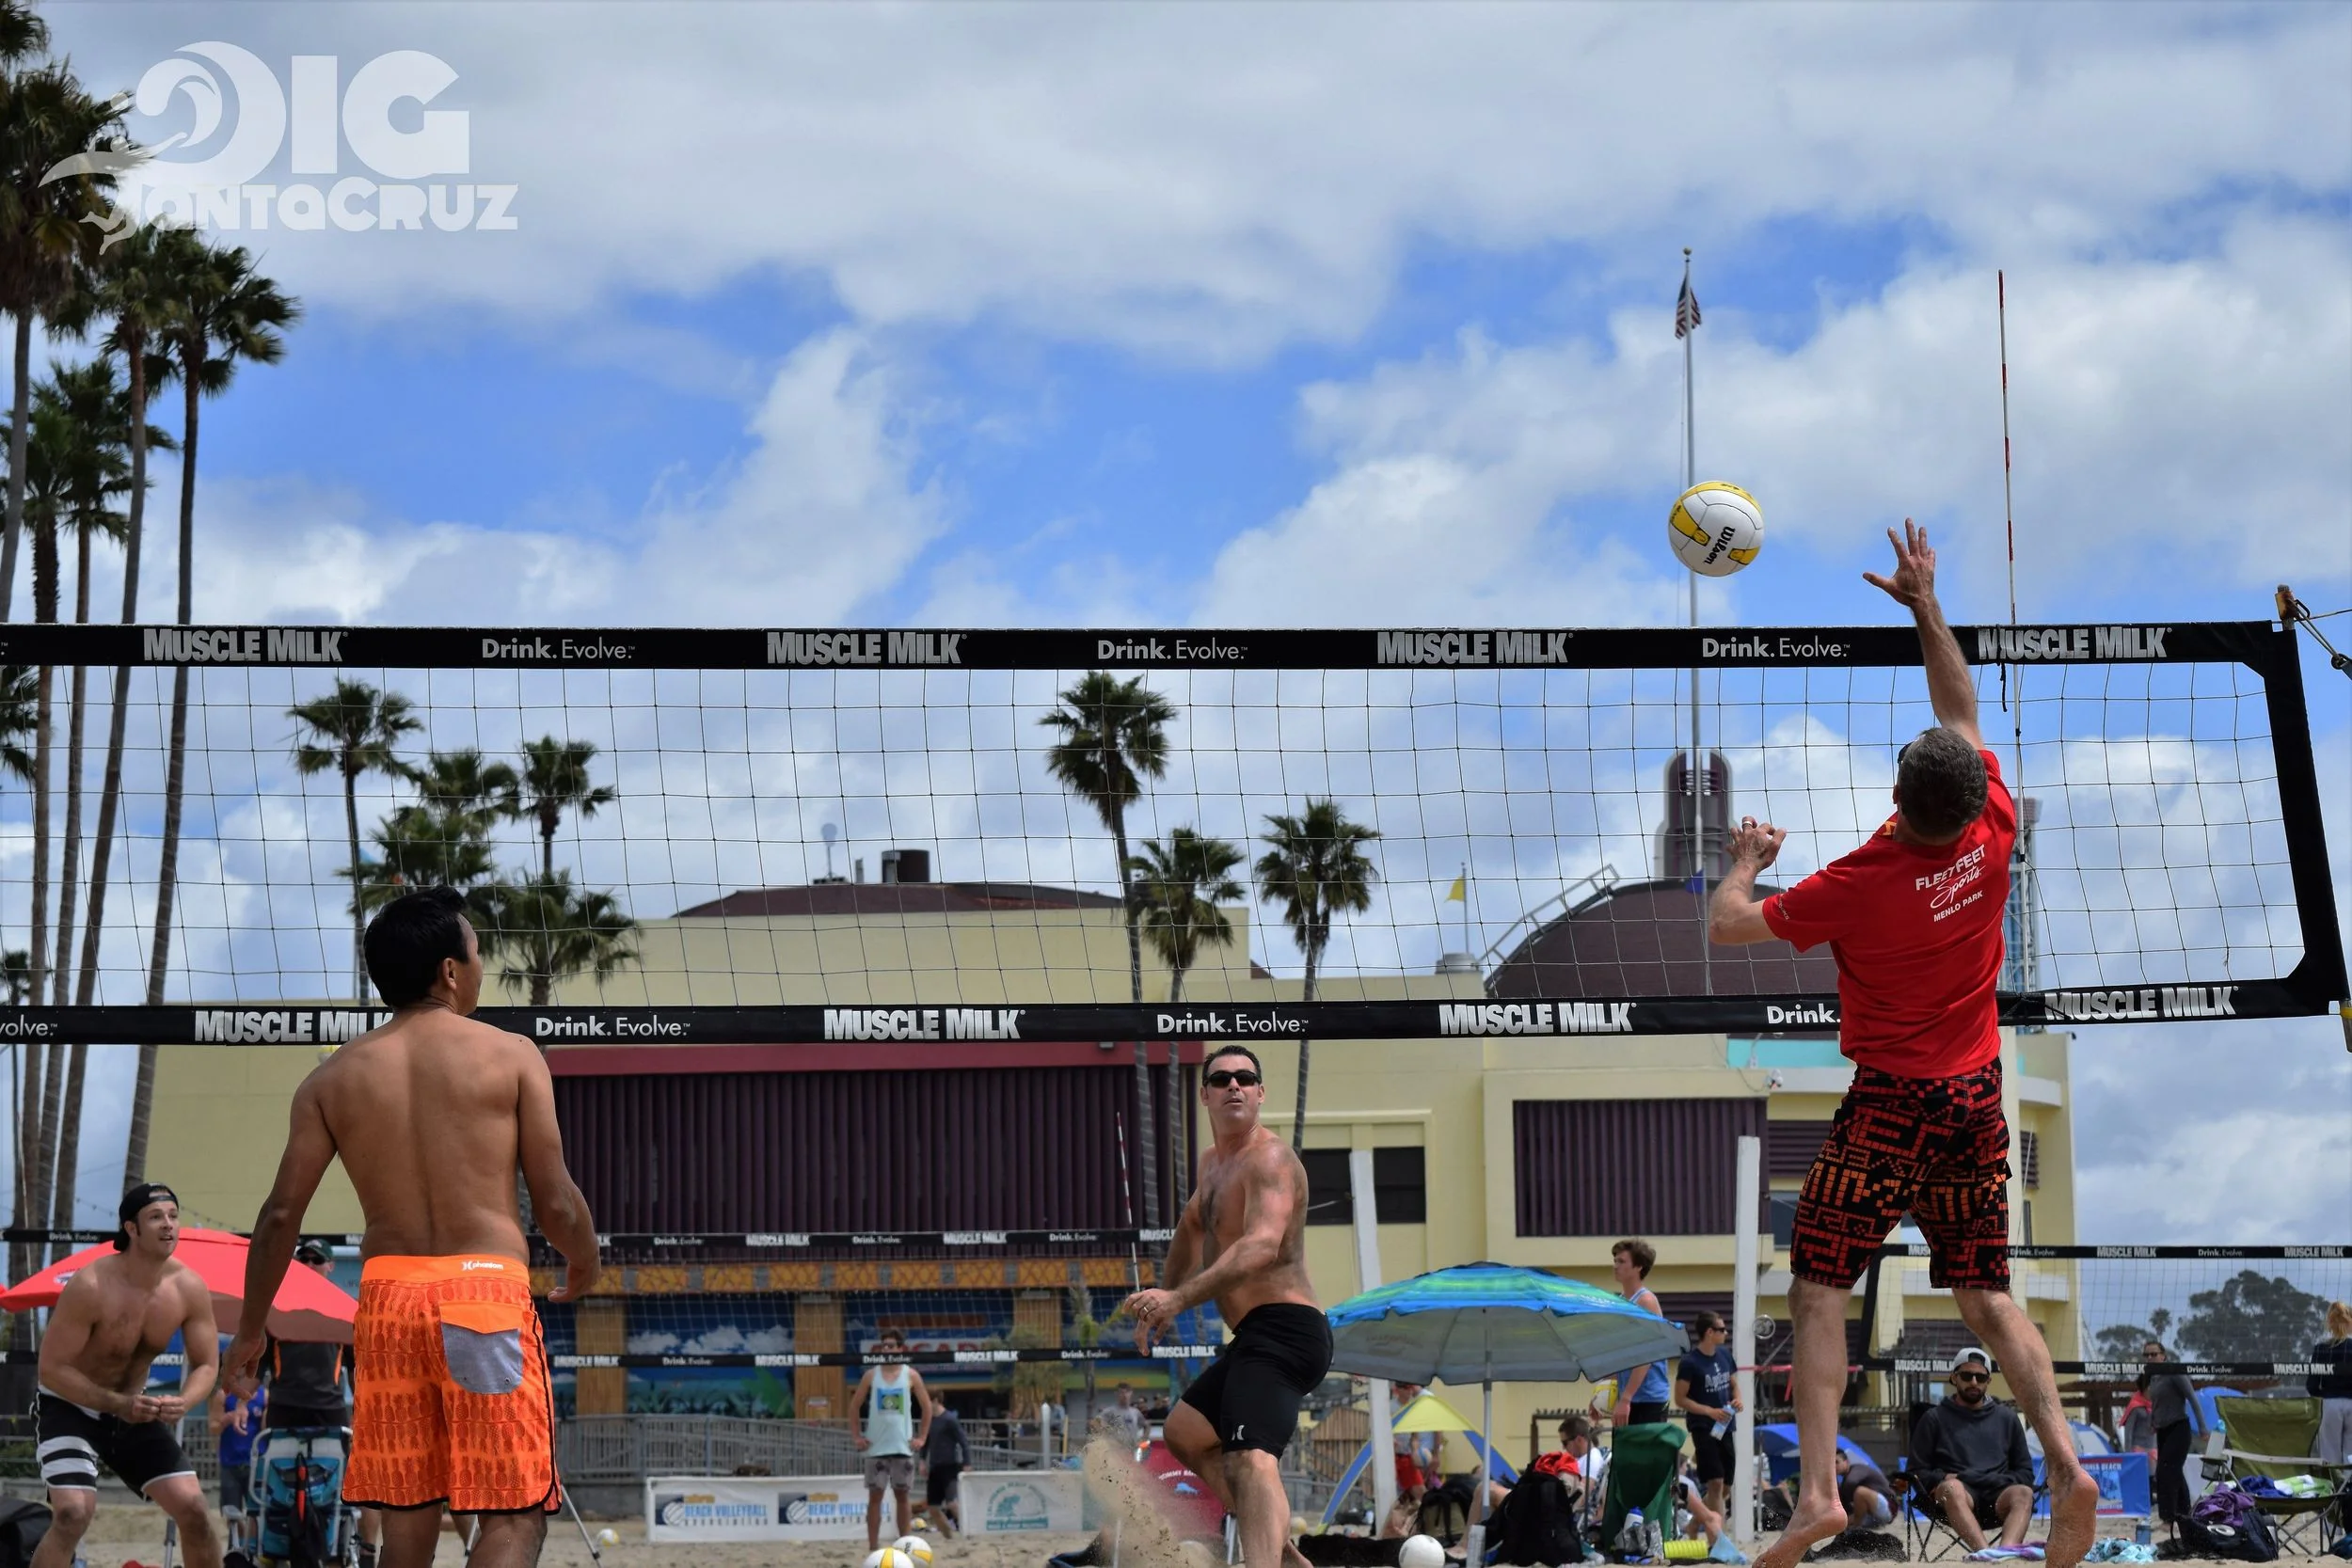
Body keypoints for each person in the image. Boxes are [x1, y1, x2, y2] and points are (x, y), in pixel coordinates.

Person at [1710, 521, 2095, 1568]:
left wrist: (1744, 860)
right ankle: (2063, 1456)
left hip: (1889, 1104)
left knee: (1820, 1284)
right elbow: (1958, 707)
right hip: (1977, 1094)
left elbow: (1726, 925)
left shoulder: (1856, 883)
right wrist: (1926, 602)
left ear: (1894, 796)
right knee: (1987, 1290)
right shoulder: (1995, 826)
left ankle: (1822, 1495)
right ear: (1973, 792)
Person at [223, 887, 602, 1568]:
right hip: (482, 1296)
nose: (481, 965)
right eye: (478, 951)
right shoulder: (512, 1054)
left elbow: (281, 1215)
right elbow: (558, 1204)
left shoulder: (331, 1078)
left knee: (406, 1517)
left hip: (389, 1305)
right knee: (514, 1516)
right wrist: (585, 1258)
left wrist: (252, 1330)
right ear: (450, 972)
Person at [1124, 1044, 1328, 1568]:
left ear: (1260, 1093)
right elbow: (1192, 1227)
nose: (1233, 1085)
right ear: (1205, 1095)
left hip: (1288, 1330)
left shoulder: (1271, 1158)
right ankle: (1277, 1546)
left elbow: (1261, 1246)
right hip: (1254, 1338)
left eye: (1245, 1078)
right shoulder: (1213, 1164)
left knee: (1251, 1458)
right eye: (1221, 1079)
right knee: (1184, 1432)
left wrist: (1179, 1296)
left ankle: (1264, 1557)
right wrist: (1163, 1303)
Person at [32, 1183, 223, 1568]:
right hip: (71, 1408)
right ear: (131, 1229)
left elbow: (206, 1364)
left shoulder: (188, 1287)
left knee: (196, 1511)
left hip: (134, 1414)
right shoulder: (91, 1285)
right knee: (72, 1514)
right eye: (156, 1217)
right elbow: (52, 1369)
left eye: (173, 1215)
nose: (168, 1225)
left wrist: (184, 1401)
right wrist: (118, 1403)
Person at [1909, 1349, 2036, 1555]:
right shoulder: (1933, 1418)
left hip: (1998, 1495)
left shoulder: (2008, 1419)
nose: (1974, 1382)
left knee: (2024, 1492)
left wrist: (1983, 1479)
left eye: (1981, 1377)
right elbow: (1917, 1472)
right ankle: (1986, 1555)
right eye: (1967, 1376)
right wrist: (1948, 1478)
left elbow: (2025, 1473)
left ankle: (2004, 1554)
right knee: (1952, 1487)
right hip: (1955, 1499)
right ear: (1954, 1378)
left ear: (1989, 1380)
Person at [852, 1329, 934, 1550]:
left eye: (891, 1346)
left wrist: (922, 1437)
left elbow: (927, 1407)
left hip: (902, 1446)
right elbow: (854, 1406)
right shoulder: (871, 1375)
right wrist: (857, 1436)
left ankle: (905, 1545)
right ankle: (872, 1547)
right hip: (876, 1447)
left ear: (900, 1349)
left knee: (903, 1498)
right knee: (875, 1498)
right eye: (884, 1346)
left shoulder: (910, 1374)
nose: (886, 1349)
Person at [1675, 1308, 1741, 1515]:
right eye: (1722, 1329)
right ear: (1709, 1332)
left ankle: (1696, 1524)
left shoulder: (1724, 1354)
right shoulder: (1690, 1363)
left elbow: (1734, 1383)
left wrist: (1738, 1399)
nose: (1726, 1333)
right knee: (1716, 1482)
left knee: (1726, 1486)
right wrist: (1709, 1411)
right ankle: (1719, 1540)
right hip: (1703, 1426)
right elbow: (1680, 1398)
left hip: (1725, 1425)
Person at [1609, 1240, 1672, 1427]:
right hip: (1628, 1395)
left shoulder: (1646, 1301)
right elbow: (1619, 1353)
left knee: (1644, 1456)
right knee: (1623, 1455)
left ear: (1638, 1267)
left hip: (1648, 1398)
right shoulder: (1619, 1301)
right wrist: (1603, 1394)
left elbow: (1648, 1353)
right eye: (1615, 1260)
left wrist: (1626, 1398)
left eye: (1621, 1261)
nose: (1615, 1266)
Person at [2140, 1340, 2198, 1527]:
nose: (2150, 1358)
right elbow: (2155, 1404)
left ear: (2163, 1355)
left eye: (2153, 1354)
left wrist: (2204, 1429)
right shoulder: (2153, 1377)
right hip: (2163, 1430)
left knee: (2165, 1471)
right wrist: (2152, 1422)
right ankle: (2184, 1513)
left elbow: (2193, 1398)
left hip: (2179, 1427)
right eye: (2146, 1355)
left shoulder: (2174, 1371)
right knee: (2173, 1471)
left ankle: (2168, 1517)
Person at [211, 1382, 265, 1556]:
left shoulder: (265, 1396)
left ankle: (252, 1549)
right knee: (232, 1512)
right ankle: (236, 1546)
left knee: (256, 1512)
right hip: (230, 1463)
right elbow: (213, 1426)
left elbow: (267, 1428)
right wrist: (227, 1418)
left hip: (256, 1463)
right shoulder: (223, 1395)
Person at [2309, 1300, 2352, 1463]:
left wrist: (2325, 1395)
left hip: (2330, 1404)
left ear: (2329, 1322)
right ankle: (2349, 1485)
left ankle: (2333, 1485)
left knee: (2329, 1452)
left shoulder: (2321, 1349)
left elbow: (2311, 1385)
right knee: (2351, 1453)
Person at [920, 1393, 969, 1535]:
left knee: (952, 1504)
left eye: (927, 1401)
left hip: (950, 1466)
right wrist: (922, 1461)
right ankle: (949, 1536)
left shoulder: (949, 1419)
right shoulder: (929, 1420)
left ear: (935, 1400)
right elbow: (925, 1443)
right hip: (935, 1467)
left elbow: (963, 1442)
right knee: (932, 1507)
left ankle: (967, 1530)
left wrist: (967, 1462)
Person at [1834, 1447, 1895, 1530]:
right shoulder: (1844, 1481)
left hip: (1889, 1508)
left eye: (1837, 1462)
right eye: (1832, 1464)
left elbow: (1851, 1482)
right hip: (1871, 1515)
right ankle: (1852, 1532)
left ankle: (1856, 1529)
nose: (1834, 1466)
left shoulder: (1857, 1469)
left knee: (1860, 1492)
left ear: (1846, 1462)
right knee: (1843, 1521)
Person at [1102, 1382, 1150, 1449]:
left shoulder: (1135, 1412)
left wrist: (1144, 1439)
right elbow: (1095, 1424)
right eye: (1121, 1392)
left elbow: (1147, 1426)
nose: (1124, 1395)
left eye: (1127, 1392)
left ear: (1131, 1393)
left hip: (1133, 1449)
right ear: (1117, 1394)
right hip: (1116, 1450)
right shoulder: (1109, 1412)